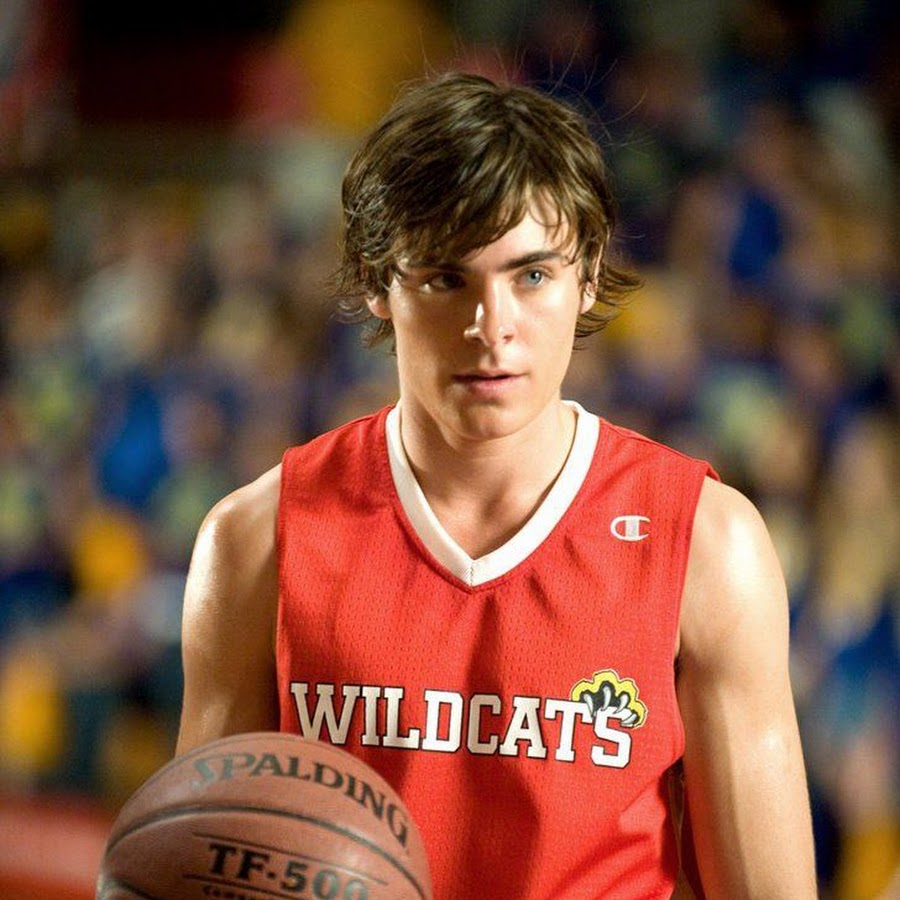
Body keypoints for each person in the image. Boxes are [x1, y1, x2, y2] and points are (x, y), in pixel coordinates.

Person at [176, 72, 817, 899]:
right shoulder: (256, 539)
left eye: (532, 275)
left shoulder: (705, 545)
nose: (491, 326)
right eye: (447, 278)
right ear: (377, 282)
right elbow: (203, 874)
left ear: (589, 276)